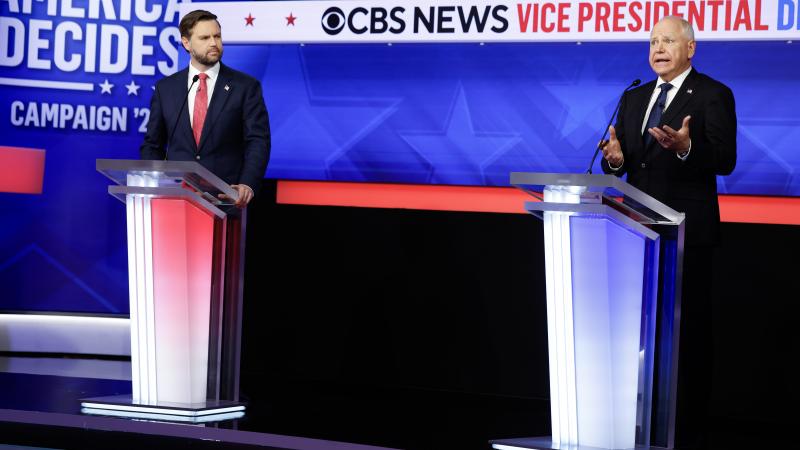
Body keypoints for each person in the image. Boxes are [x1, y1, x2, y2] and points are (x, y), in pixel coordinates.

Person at [600, 16, 737, 449]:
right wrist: (617, 160)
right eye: (653, 41)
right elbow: (622, 165)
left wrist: (687, 147)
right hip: (634, 229)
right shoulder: (635, 96)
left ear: (690, 48)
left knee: (687, 333)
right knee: (637, 329)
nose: (658, 48)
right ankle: (638, 419)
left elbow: (725, 159)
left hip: (686, 234)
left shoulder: (714, 94)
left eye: (668, 41)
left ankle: (689, 427)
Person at [140, 9, 270, 208]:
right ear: (186, 43)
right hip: (174, 200)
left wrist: (247, 184)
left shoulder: (246, 87)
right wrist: (153, 181)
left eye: (217, 36)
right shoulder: (165, 88)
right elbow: (152, 145)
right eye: (204, 37)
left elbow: (258, 141)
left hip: (227, 200)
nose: (213, 43)